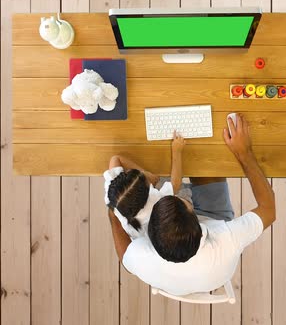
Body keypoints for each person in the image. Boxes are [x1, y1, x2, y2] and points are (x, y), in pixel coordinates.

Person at [108, 114, 276, 295]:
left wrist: (113, 212)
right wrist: (244, 152)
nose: (186, 197)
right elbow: (269, 210)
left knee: (160, 163)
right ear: (200, 226)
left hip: (200, 271)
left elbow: (125, 259)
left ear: (151, 234)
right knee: (203, 160)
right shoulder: (225, 240)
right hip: (214, 221)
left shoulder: (141, 257)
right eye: (186, 202)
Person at [104, 133, 186, 240]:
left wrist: (146, 174)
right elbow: (176, 184)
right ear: (149, 192)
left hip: (139, 235)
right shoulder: (156, 203)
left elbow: (115, 159)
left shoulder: (112, 192)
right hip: (165, 229)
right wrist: (177, 151)